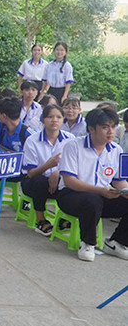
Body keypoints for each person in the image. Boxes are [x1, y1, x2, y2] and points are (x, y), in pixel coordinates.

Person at [56, 107, 128, 261]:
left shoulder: (116, 150)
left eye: (113, 127)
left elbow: (118, 179)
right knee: (92, 200)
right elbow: (69, 181)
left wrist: (125, 190)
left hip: (103, 195)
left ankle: (117, 242)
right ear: (91, 128)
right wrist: (100, 191)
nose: (110, 131)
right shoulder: (73, 146)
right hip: (71, 195)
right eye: (104, 127)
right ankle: (87, 243)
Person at [21, 104, 72, 237]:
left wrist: (57, 172)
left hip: (58, 182)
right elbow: (30, 173)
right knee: (39, 181)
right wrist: (47, 166)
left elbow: (75, 166)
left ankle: (65, 219)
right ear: (43, 119)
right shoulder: (32, 141)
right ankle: (41, 220)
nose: (54, 120)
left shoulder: (71, 140)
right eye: (50, 117)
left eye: (58, 117)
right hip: (34, 183)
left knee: (72, 181)